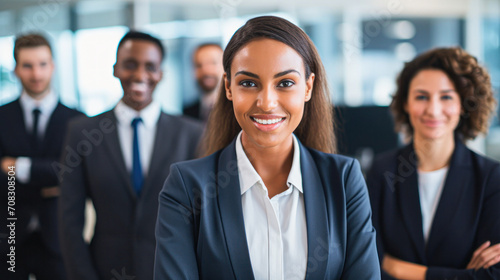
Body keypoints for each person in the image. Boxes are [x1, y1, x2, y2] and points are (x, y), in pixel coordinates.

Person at [154, 16, 380, 280]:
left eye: (285, 83)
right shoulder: (186, 187)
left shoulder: (343, 180)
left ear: (307, 87)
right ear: (228, 87)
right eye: (248, 83)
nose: (266, 103)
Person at [59, 31, 203, 280]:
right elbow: (69, 221)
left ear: (161, 73)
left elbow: (202, 219)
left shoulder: (191, 134)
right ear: (116, 69)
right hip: (104, 271)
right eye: (130, 65)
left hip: (171, 271)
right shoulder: (82, 133)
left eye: (150, 66)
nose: (139, 75)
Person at [367, 47, 500, 279]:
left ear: (462, 104)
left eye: (446, 97)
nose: (433, 109)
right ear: (406, 103)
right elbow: (368, 264)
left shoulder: (491, 178)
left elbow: (492, 275)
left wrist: (399, 268)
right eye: (421, 96)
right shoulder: (382, 171)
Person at [0, 33, 84, 280]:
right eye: (27, 66)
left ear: (53, 66)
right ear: (16, 69)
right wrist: (50, 182)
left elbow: (72, 172)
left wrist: (17, 167)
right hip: (9, 238)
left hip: (59, 238)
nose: (36, 74)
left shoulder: (78, 121)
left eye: (42, 64)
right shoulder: (1, 117)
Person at [183, 43, 224, 121]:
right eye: (199, 65)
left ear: (225, 67)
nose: (206, 71)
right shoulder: (187, 114)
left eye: (213, 63)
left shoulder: (238, 110)